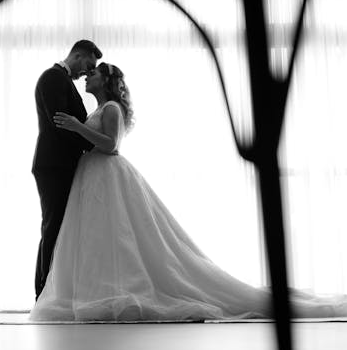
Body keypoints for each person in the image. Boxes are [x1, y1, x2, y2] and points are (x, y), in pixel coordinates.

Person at [30, 62, 347, 322]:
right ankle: (94, 290)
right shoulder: (99, 107)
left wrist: (77, 127)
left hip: (107, 173)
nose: (89, 76)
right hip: (91, 177)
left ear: (107, 82)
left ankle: (120, 292)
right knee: (98, 237)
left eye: (95, 74)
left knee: (120, 236)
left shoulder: (111, 108)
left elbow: (111, 146)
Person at [32, 39, 103, 299]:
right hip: (54, 165)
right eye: (89, 64)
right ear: (78, 54)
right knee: (53, 227)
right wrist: (92, 144)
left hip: (62, 164)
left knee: (59, 227)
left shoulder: (62, 80)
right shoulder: (53, 77)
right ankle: (43, 293)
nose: (88, 71)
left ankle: (53, 291)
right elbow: (60, 123)